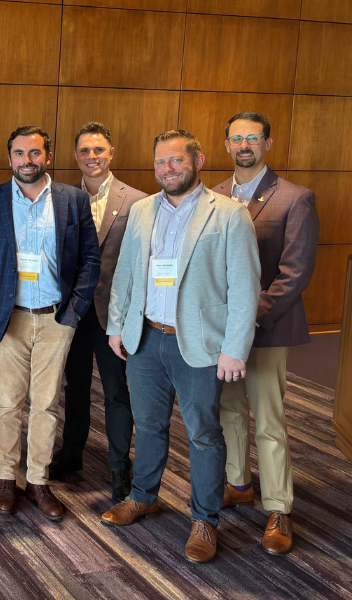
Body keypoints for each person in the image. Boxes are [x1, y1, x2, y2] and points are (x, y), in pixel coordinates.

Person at [102, 130, 260, 564]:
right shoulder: (140, 211)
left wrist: (235, 348)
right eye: (160, 163)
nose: (167, 170)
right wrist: (117, 326)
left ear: (199, 161)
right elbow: (126, 274)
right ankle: (143, 496)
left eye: (176, 161)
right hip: (146, 339)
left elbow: (245, 289)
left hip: (201, 345)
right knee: (148, 425)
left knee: (204, 435)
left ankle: (205, 520)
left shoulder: (229, 215)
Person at [0, 126, 100, 522]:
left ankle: (39, 479)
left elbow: (90, 260)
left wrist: (74, 311)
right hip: (10, 319)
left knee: (46, 404)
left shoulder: (73, 200)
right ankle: (6, 476)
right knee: (8, 401)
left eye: (34, 153)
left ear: (48, 156)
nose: (26, 160)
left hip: (55, 319)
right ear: (9, 157)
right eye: (18, 153)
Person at [212, 111, 319, 555]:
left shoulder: (295, 198)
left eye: (252, 138)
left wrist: (247, 318)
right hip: (220, 334)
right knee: (229, 412)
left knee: (269, 421)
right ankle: (238, 483)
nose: (244, 145)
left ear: (267, 144)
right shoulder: (213, 196)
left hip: (266, 328)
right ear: (226, 145)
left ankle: (278, 507)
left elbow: (295, 273)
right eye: (237, 138)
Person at [50, 122, 147, 502]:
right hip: (73, 313)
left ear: (111, 154)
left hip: (115, 318)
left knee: (116, 392)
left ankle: (120, 465)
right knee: (73, 388)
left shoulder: (137, 201)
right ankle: (71, 454)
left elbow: (141, 263)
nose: (93, 157)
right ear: (75, 156)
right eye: (85, 151)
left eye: (99, 150)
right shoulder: (59, 198)